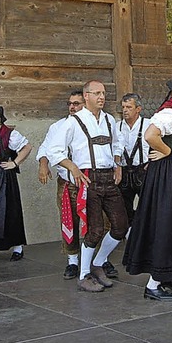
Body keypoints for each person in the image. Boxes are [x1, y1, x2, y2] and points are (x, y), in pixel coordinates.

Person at [123, 69, 172, 301]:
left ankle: (168, 277)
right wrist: (168, 152)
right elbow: (150, 135)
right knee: (167, 224)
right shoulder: (169, 111)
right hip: (168, 177)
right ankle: (153, 285)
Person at [46, 81, 126, 293]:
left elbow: (117, 144)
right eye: (97, 93)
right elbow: (54, 150)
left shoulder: (109, 119)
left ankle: (98, 263)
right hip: (88, 179)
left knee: (120, 226)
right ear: (86, 96)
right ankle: (83, 275)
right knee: (95, 229)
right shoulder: (73, 122)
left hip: (109, 177)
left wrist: (117, 163)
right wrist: (72, 167)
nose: (101, 97)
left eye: (103, 93)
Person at [36, 91, 85, 280]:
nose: (72, 107)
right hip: (66, 180)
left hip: (90, 181)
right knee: (69, 220)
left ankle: (99, 260)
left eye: (77, 103)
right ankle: (73, 261)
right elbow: (45, 148)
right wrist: (43, 164)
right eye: (70, 103)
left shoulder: (92, 125)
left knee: (98, 220)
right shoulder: (58, 126)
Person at [0, 106, 32, 260]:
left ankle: (17, 247)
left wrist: (14, 163)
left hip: (4, 178)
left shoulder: (9, 134)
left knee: (10, 210)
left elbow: (27, 147)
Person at [117, 93, 150, 230]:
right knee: (125, 208)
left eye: (129, 107)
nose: (125, 110)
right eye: (123, 107)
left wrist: (152, 164)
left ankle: (146, 234)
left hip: (143, 170)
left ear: (138, 109)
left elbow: (160, 144)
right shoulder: (116, 126)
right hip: (123, 172)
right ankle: (129, 236)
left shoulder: (149, 125)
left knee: (147, 206)